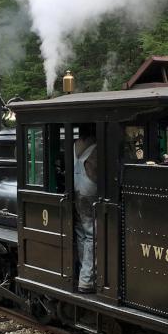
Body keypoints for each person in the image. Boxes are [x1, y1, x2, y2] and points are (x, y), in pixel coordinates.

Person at [73, 123, 99, 294]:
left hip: (77, 190)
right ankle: (87, 280)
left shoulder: (75, 145)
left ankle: (83, 272)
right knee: (92, 234)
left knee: (82, 234)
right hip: (90, 193)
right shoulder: (96, 148)